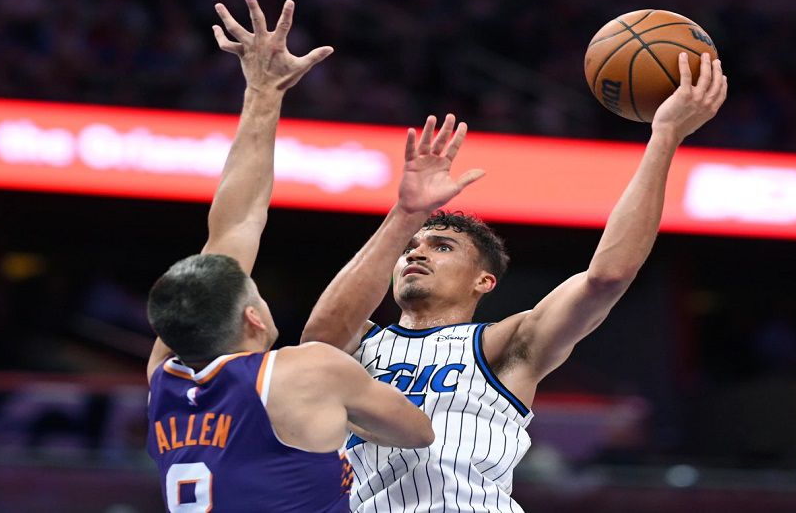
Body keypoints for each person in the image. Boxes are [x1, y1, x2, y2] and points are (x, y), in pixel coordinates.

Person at [302, 52, 728, 512]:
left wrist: (664, 136)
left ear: (484, 282)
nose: (418, 252)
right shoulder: (359, 347)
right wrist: (405, 216)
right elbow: (318, 340)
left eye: (443, 247)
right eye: (412, 248)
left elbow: (608, 276)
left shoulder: (505, 345)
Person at [143, 0, 462, 512]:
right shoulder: (306, 372)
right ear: (252, 316)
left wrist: (262, 93)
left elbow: (235, 224)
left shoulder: (165, 376)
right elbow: (417, 433)